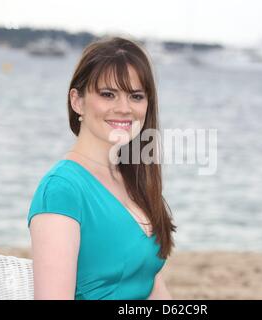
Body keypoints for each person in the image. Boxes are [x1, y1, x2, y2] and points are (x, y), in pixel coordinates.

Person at [27, 36, 177, 300]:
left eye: (136, 96)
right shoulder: (62, 190)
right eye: (108, 94)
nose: (124, 108)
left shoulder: (133, 178)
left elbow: (150, 281)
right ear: (77, 101)